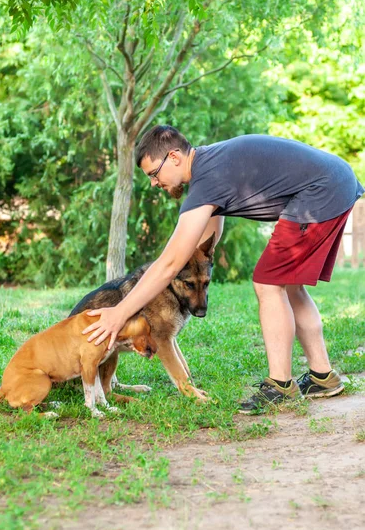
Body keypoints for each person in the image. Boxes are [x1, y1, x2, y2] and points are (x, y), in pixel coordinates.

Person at [82, 125, 364, 414]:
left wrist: (119, 313)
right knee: (288, 284)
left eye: (154, 173)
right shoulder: (209, 169)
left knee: (268, 283)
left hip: (321, 190)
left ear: (174, 157)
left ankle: (281, 386)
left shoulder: (207, 179)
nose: (154, 183)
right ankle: (322, 377)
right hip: (334, 181)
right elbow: (206, 241)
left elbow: (168, 264)